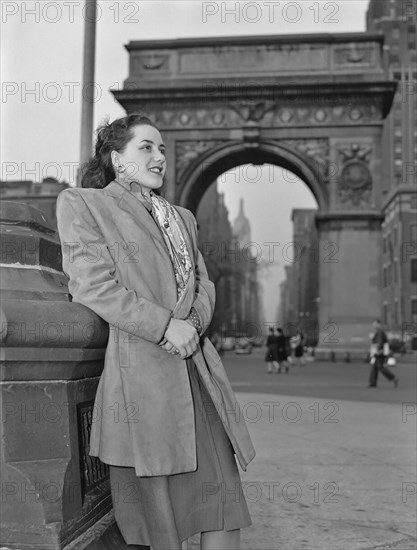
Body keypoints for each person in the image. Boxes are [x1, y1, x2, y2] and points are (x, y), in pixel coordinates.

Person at [56, 114, 255, 550]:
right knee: (158, 517)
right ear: (117, 158)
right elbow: (91, 285)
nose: (160, 157)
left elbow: (206, 284)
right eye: (146, 147)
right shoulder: (84, 205)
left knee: (222, 499)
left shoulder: (182, 216)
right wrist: (165, 325)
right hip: (141, 381)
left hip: (197, 377)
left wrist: (192, 325)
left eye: (163, 149)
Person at [368, 319, 399, 388]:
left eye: (375, 324)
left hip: (380, 352)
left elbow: (380, 342)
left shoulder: (380, 332)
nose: (374, 326)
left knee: (380, 367)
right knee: (375, 367)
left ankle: (393, 378)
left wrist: (378, 350)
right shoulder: (379, 332)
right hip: (380, 351)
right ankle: (372, 382)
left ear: (379, 324)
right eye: (373, 324)